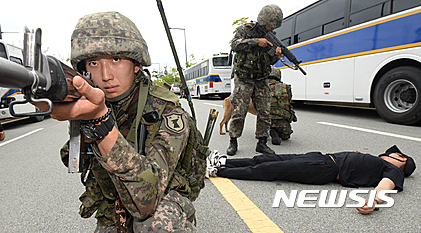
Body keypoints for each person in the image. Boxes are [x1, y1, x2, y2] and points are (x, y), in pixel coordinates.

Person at [39, 12, 197, 232]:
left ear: (136, 64)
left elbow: (146, 201)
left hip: (159, 202)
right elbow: (73, 161)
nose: (105, 75)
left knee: (156, 225)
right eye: (94, 63)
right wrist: (82, 128)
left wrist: (100, 123)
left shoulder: (168, 111)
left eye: (116, 60)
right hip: (112, 208)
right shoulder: (95, 99)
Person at [207, 145, 416, 215]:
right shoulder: (380, 162)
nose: (386, 154)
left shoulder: (393, 170)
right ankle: (223, 161)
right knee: (264, 159)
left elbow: (384, 186)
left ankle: (217, 171)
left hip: (324, 169)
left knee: (267, 169)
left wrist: (373, 201)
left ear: (401, 160)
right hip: (320, 158)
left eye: (393, 154)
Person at [227, 4, 284, 155]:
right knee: (239, 111)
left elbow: (270, 62)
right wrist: (256, 42)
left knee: (265, 111)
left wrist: (277, 55)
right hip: (244, 78)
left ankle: (262, 142)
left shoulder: (272, 38)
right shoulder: (245, 30)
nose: (272, 29)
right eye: (271, 25)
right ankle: (233, 141)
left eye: (274, 26)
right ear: (264, 21)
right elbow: (234, 45)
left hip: (261, 78)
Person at [267, 67, 297, 145]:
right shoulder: (286, 87)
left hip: (266, 120)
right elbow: (289, 101)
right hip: (282, 118)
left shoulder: (262, 87)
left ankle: (270, 130)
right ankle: (278, 131)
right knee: (286, 136)